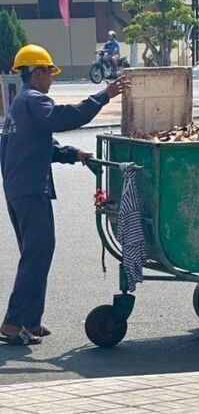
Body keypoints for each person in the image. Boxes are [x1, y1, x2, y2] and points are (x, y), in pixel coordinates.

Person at [0, 45, 129, 346]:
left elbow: (45, 145)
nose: (52, 80)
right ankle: (13, 322)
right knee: (37, 254)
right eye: (49, 73)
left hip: (21, 189)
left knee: (38, 253)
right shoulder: (34, 99)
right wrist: (103, 95)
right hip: (30, 190)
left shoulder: (21, 103)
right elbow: (64, 118)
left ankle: (30, 322)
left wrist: (75, 154)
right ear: (38, 72)